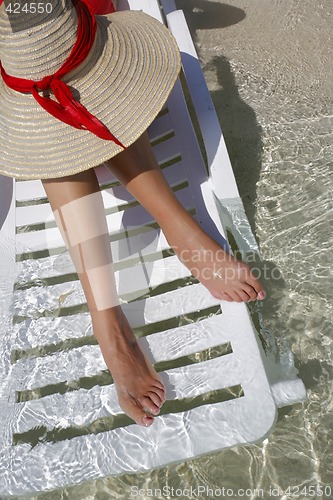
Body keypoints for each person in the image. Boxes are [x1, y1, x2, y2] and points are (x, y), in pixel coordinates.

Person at [0, 0, 265, 427]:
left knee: (70, 60)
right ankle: (111, 323)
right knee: (36, 78)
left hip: (70, 22)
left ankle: (177, 229)